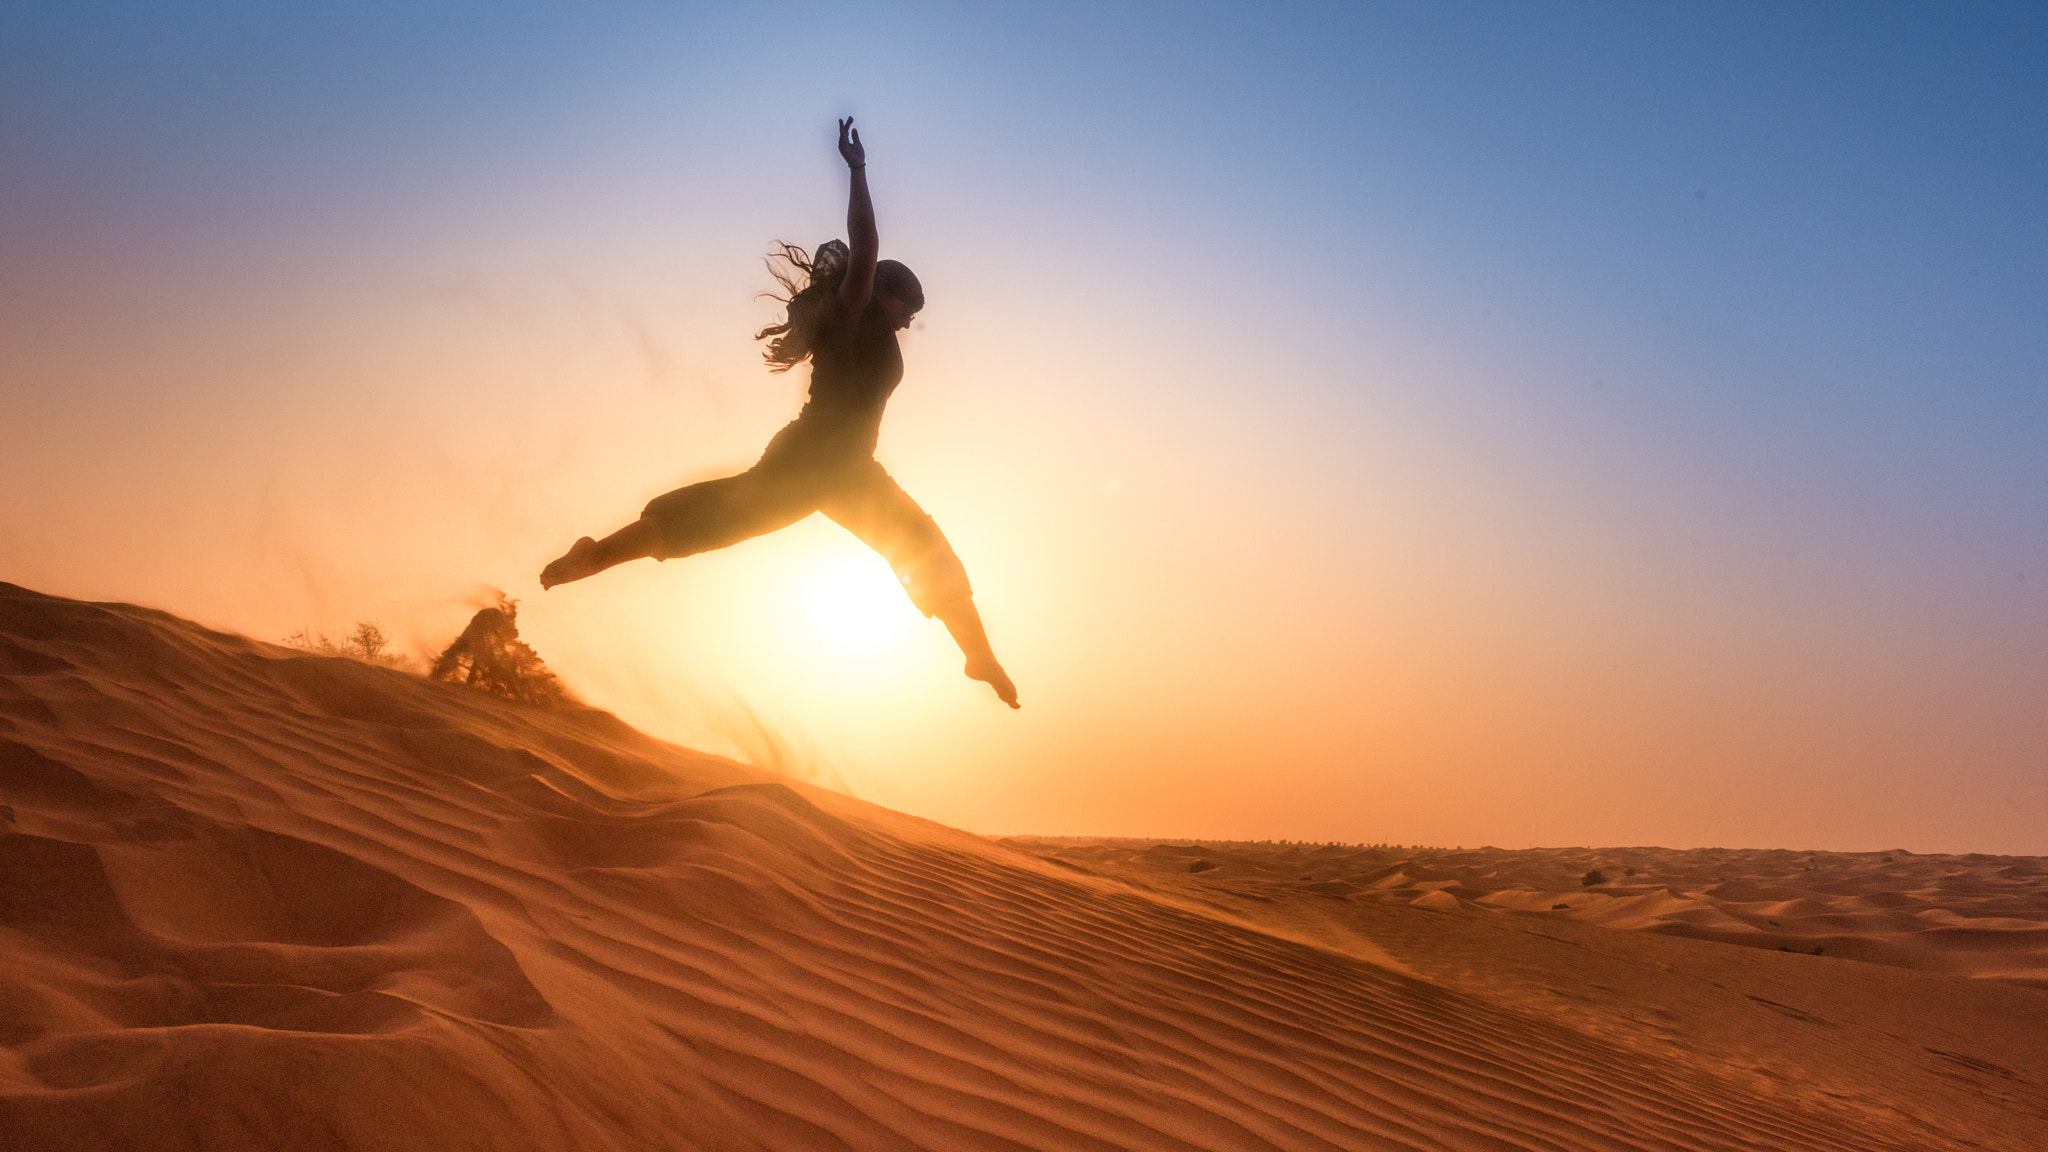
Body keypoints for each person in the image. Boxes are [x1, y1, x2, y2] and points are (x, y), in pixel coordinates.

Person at [540, 118, 1019, 709]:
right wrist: (859, 171)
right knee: (716, 519)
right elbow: (865, 244)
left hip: (848, 470)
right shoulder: (852, 313)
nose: (908, 322)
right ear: (882, 291)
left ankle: (977, 655)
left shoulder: (868, 328)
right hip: (815, 457)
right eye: (907, 309)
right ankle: (597, 554)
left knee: (919, 546)